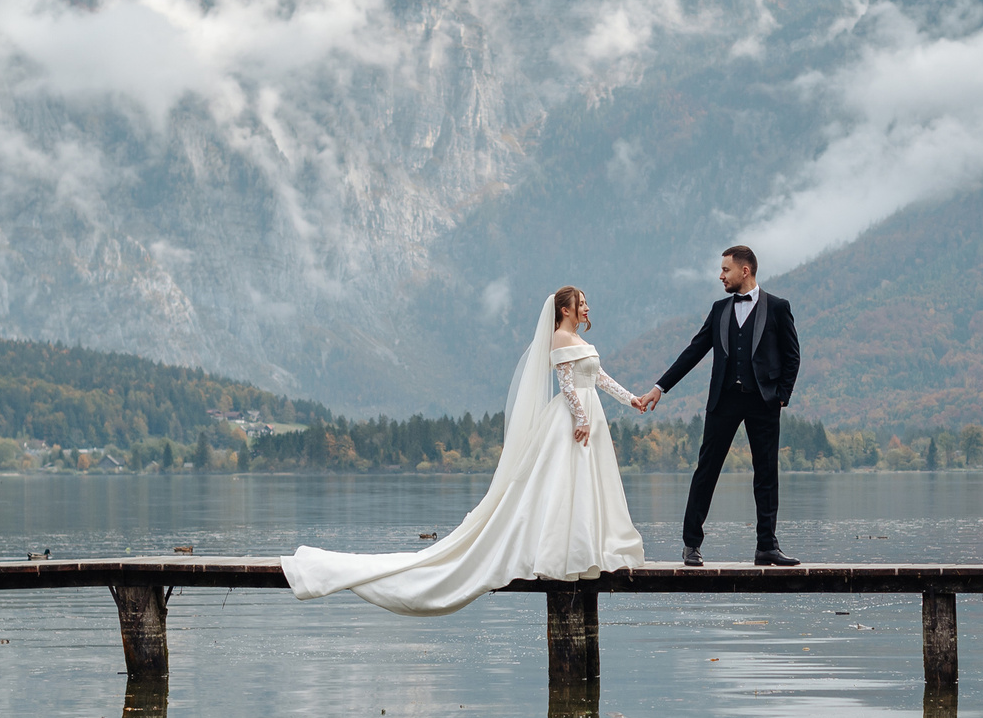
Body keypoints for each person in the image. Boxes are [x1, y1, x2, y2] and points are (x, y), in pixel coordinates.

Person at [286, 286, 645, 613]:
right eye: (581, 304)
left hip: (589, 419)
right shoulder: (558, 338)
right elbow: (566, 385)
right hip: (573, 421)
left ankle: (586, 554)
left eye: (585, 303)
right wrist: (580, 417)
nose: (586, 308)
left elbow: (599, 378)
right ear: (565, 310)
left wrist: (632, 400)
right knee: (564, 487)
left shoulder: (581, 342)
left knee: (586, 487)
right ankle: (564, 555)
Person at [633, 245, 800, 567]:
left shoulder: (778, 307)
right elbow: (694, 351)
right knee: (706, 471)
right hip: (723, 400)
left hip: (763, 401)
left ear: (745, 271)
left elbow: (792, 354)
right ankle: (691, 545)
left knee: (766, 474)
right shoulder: (719, 309)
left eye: (725, 270)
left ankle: (767, 547)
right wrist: (659, 387)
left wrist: (782, 395)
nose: (720, 275)